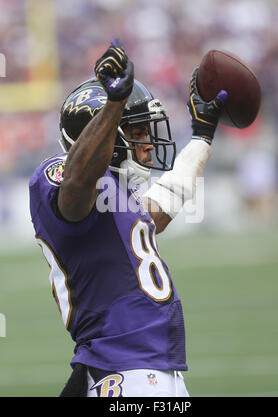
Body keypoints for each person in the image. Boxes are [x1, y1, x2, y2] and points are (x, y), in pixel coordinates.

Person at [29, 39, 227, 397]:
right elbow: (77, 184)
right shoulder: (59, 174)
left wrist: (201, 137)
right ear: (103, 131)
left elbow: (157, 212)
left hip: (136, 370)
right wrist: (114, 104)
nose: (148, 143)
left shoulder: (116, 194)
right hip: (131, 372)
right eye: (136, 132)